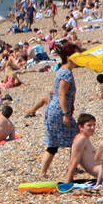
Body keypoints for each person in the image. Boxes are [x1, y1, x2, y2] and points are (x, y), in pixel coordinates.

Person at [39, 42, 80, 178]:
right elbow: (62, 94)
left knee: (54, 142)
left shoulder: (64, 70)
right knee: (76, 138)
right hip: (59, 111)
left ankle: (44, 172)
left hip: (55, 109)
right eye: (76, 55)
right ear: (69, 57)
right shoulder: (66, 73)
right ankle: (72, 167)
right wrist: (65, 114)